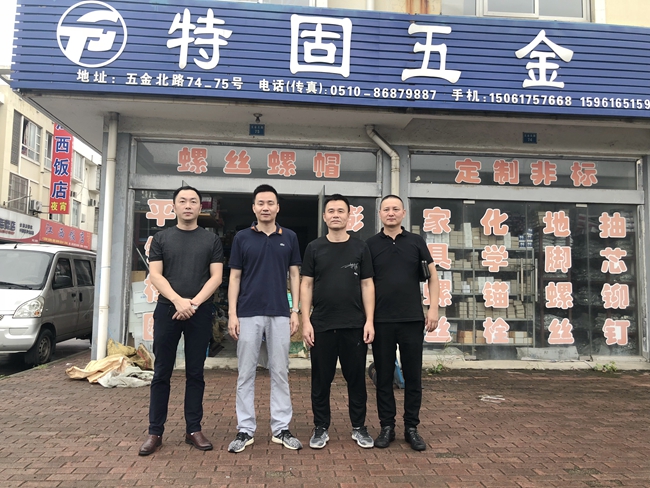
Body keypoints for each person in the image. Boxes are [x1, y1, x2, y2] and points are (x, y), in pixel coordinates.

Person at [139, 186, 224, 456]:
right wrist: (178, 301)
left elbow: (216, 277)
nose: (188, 205)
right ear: (174, 207)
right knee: (161, 372)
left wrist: (193, 304)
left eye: (193, 201)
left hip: (200, 313)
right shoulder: (161, 238)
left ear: (200, 207)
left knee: (195, 373)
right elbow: (156, 275)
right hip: (168, 311)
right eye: (183, 201)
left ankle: (193, 430)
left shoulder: (211, 240)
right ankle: (155, 432)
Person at [227, 184, 303, 453]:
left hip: (280, 312)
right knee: (245, 373)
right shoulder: (242, 237)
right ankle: (245, 430)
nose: (266, 208)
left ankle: (281, 428)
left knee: (280, 372)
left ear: (278, 207)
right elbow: (234, 277)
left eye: (270, 203)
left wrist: (296, 310)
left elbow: (295, 275)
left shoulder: (289, 237)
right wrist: (232, 313)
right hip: (248, 313)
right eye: (261, 203)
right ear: (254, 208)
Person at [300, 194, 375, 450]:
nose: (335, 215)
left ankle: (359, 427)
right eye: (331, 211)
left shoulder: (360, 248)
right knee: (321, 381)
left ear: (348, 216)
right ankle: (320, 427)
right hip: (321, 324)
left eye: (340, 211)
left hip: (354, 324)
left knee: (356, 380)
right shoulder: (314, 247)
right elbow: (306, 284)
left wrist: (369, 320)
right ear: (324, 216)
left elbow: (367, 284)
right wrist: (305, 320)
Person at [366, 195, 439, 451]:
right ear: (380, 214)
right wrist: (368, 320)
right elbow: (365, 284)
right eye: (386, 209)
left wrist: (433, 308)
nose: (391, 213)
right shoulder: (370, 245)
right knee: (384, 376)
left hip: (412, 319)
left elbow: (432, 277)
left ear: (403, 213)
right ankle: (387, 427)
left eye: (395, 209)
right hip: (381, 321)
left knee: (413, 376)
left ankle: (411, 428)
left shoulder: (416, 242)